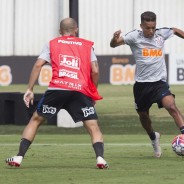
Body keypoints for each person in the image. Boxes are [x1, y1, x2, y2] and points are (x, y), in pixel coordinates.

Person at [5, 18, 108, 169]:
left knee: (35, 120)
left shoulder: (52, 43)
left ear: (60, 31)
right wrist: (92, 92)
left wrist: (30, 89)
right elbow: (95, 70)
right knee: (93, 126)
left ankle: (19, 157)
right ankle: (100, 159)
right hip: (79, 90)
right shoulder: (87, 46)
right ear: (76, 29)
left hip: (58, 89)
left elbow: (38, 64)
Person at [110, 11, 184, 157]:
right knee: (144, 117)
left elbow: (176, 30)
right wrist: (114, 39)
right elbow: (114, 45)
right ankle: (153, 138)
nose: (151, 31)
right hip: (142, 86)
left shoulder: (161, 34)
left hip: (159, 83)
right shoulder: (134, 36)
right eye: (147, 28)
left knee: (171, 105)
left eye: (153, 27)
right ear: (141, 26)